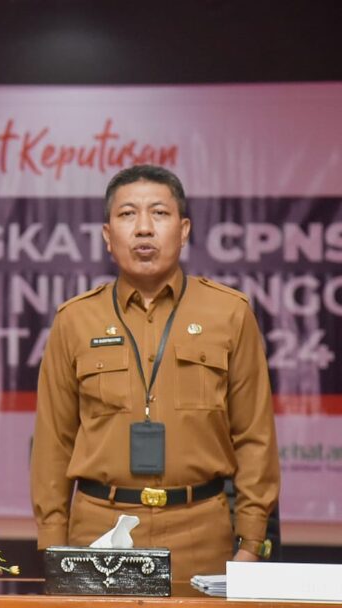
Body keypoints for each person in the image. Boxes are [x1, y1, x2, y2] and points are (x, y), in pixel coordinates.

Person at [30, 164, 279, 582]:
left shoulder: (230, 313)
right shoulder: (74, 320)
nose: (144, 228)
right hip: (99, 532)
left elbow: (255, 436)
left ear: (184, 230)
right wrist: (54, 542)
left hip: (201, 530)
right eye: (128, 214)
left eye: (159, 213)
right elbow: (52, 442)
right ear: (107, 235)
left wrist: (252, 543)